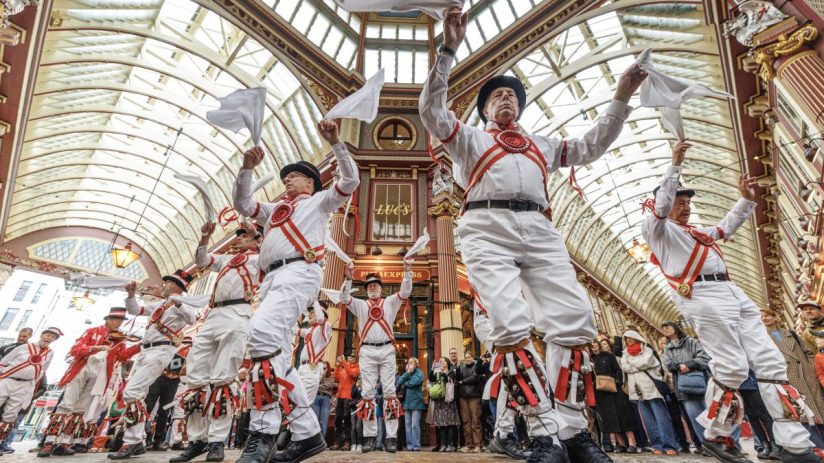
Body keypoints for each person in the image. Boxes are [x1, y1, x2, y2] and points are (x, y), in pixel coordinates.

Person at [420, 7, 646, 463]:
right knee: (509, 322)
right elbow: (431, 110)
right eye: (496, 97)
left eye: (512, 96)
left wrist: (621, 95)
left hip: (541, 228)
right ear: (484, 109)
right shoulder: (469, 139)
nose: (506, 100)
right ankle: (542, 432)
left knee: (576, 318)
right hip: (486, 226)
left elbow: (591, 146)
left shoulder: (542, 143)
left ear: (520, 107)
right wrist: (448, 50)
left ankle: (572, 430)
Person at [642, 141, 824, 463]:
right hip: (701, 296)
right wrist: (675, 163)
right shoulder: (658, 231)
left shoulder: (697, 233)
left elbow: (725, 228)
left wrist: (745, 200)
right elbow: (660, 207)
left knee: (770, 362)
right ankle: (716, 433)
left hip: (732, 291)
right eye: (679, 201)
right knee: (733, 366)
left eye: (687, 202)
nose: (685, 206)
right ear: (665, 203)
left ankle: (795, 445)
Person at [232, 119, 358, 463]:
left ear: (311, 182)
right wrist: (246, 170)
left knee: (260, 335)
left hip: (299, 273)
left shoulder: (318, 202)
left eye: (296, 175)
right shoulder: (275, 210)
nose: (288, 178)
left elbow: (350, 180)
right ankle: (307, 435)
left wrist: (335, 142)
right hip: (271, 280)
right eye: (286, 175)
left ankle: (264, 432)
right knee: (275, 354)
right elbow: (244, 205)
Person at [170, 223, 261, 463]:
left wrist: (259, 237)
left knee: (223, 378)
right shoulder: (226, 260)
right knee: (196, 378)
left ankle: (217, 441)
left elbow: (274, 255)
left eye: (244, 236)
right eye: (238, 236)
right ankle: (198, 440)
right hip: (213, 315)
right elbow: (201, 260)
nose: (239, 239)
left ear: (254, 239)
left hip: (239, 312)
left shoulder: (260, 258)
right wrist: (205, 237)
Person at [108, 271, 198, 459]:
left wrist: (178, 301)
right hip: (146, 351)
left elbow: (192, 319)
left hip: (161, 351)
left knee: (132, 392)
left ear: (174, 286)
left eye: (165, 284)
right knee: (136, 393)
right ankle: (136, 441)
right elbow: (135, 310)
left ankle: (134, 442)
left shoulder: (184, 302)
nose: (161, 287)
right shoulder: (161, 304)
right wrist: (131, 295)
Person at [39, 307, 138, 457]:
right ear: (108, 320)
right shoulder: (93, 331)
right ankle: (49, 443)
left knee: (81, 408)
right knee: (66, 404)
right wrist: (96, 347)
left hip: (100, 374)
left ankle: (64, 443)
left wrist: (140, 346)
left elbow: (122, 357)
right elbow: (76, 349)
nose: (119, 324)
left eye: (121, 321)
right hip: (82, 368)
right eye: (117, 320)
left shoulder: (120, 339)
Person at [340, 261, 412, 453]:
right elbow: (344, 298)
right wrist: (348, 278)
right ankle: (370, 438)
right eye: (369, 286)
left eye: (375, 285)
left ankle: (391, 438)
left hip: (387, 350)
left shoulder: (390, 302)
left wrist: (407, 271)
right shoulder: (361, 305)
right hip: (367, 352)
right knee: (367, 394)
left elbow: (405, 292)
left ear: (381, 288)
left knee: (389, 393)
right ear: (367, 289)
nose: (372, 288)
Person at [762, 307, 824, 448]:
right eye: (762, 316)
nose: (764, 318)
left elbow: (808, 352)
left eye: (767, 315)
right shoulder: (761, 337)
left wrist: (809, 366)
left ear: (775, 317)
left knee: (819, 411)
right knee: (802, 414)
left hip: (807, 376)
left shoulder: (790, 333)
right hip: (787, 377)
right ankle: (818, 447)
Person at [620, 330, 679, 456]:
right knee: (648, 420)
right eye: (626, 339)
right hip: (637, 390)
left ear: (636, 338)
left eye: (630, 338)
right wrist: (637, 366)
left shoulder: (647, 350)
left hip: (651, 387)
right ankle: (656, 445)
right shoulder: (624, 353)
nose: (628, 340)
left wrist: (633, 365)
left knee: (661, 417)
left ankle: (669, 445)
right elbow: (624, 367)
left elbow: (646, 362)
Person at [0, 328, 60, 444]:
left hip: (25, 385)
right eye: (47, 335)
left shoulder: (50, 353)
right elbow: (3, 362)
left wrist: (31, 386)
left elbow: (42, 371)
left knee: (11, 415)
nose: (49, 338)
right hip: (8, 380)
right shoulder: (24, 347)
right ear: (42, 335)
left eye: (52, 337)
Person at [661, 321, 711, 452]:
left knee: (709, 415)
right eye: (663, 328)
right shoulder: (668, 347)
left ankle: (717, 442)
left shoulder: (691, 342)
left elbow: (704, 358)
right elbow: (667, 364)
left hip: (701, 384)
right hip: (683, 388)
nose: (665, 329)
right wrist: (678, 366)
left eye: (667, 327)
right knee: (695, 418)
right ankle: (705, 445)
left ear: (676, 328)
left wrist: (689, 364)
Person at [589, 340, 638, 454]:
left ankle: (632, 442)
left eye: (595, 343)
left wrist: (617, 382)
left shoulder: (608, 355)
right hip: (600, 392)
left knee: (623, 415)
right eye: (590, 344)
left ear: (598, 344)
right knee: (609, 418)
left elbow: (617, 370)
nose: (593, 346)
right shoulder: (590, 359)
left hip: (614, 389)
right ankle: (621, 443)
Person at [144, 336, 191, 453]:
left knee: (164, 411)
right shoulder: (167, 346)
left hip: (174, 382)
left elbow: (186, 369)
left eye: (188, 343)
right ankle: (143, 439)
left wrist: (180, 368)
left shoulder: (190, 353)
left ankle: (158, 441)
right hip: (158, 377)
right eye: (185, 343)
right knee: (149, 408)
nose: (186, 346)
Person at [430, 357, 460, 452]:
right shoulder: (437, 373)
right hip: (440, 401)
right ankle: (443, 445)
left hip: (449, 400)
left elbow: (448, 380)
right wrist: (432, 369)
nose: (441, 362)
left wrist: (443, 372)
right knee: (441, 424)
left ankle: (450, 445)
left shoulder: (451, 372)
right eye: (440, 361)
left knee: (450, 424)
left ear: (447, 363)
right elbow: (431, 379)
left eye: (443, 361)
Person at [456, 351, 483, 453]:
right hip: (463, 396)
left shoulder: (477, 365)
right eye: (466, 357)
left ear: (473, 358)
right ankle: (469, 445)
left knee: (476, 421)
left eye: (469, 357)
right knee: (466, 422)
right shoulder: (462, 367)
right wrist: (458, 368)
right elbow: (457, 378)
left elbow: (475, 378)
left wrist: (463, 381)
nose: (467, 359)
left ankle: (478, 445)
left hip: (474, 396)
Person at [396, 357, 425, 451]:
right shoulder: (407, 373)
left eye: (412, 363)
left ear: (416, 364)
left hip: (417, 401)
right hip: (407, 402)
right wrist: (407, 373)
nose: (410, 364)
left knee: (415, 425)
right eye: (409, 363)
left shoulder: (420, 373)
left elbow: (413, 383)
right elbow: (399, 382)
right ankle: (409, 445)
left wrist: (406, 383)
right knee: (407, 425)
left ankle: (416, 445)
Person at [331, 354, 359, 451]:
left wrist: (343, 363)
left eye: (351, 358)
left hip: (348, 396)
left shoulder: (356, 368)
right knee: (338, 419)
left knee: (346, 419)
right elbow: (336, 378)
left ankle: (347, 442)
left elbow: (352, 374)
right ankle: (337, 442)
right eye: (349, 358)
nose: (349, 359)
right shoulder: (344, 368)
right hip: (340, 396)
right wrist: (338, 366)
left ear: (355, 360)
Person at [311, 361, 334, 442]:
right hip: (316, 397)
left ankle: (321, 441)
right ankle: (314, 441)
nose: (323, 369)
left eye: (325, 368)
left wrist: (322, 378)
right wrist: (320, 377)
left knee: (323, 420)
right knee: (315, 420)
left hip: (325, 398)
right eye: (322, 368)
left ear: (328, 368)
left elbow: (329, 386)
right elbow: (314, 385)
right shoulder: (316, 376)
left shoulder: (331, 376)